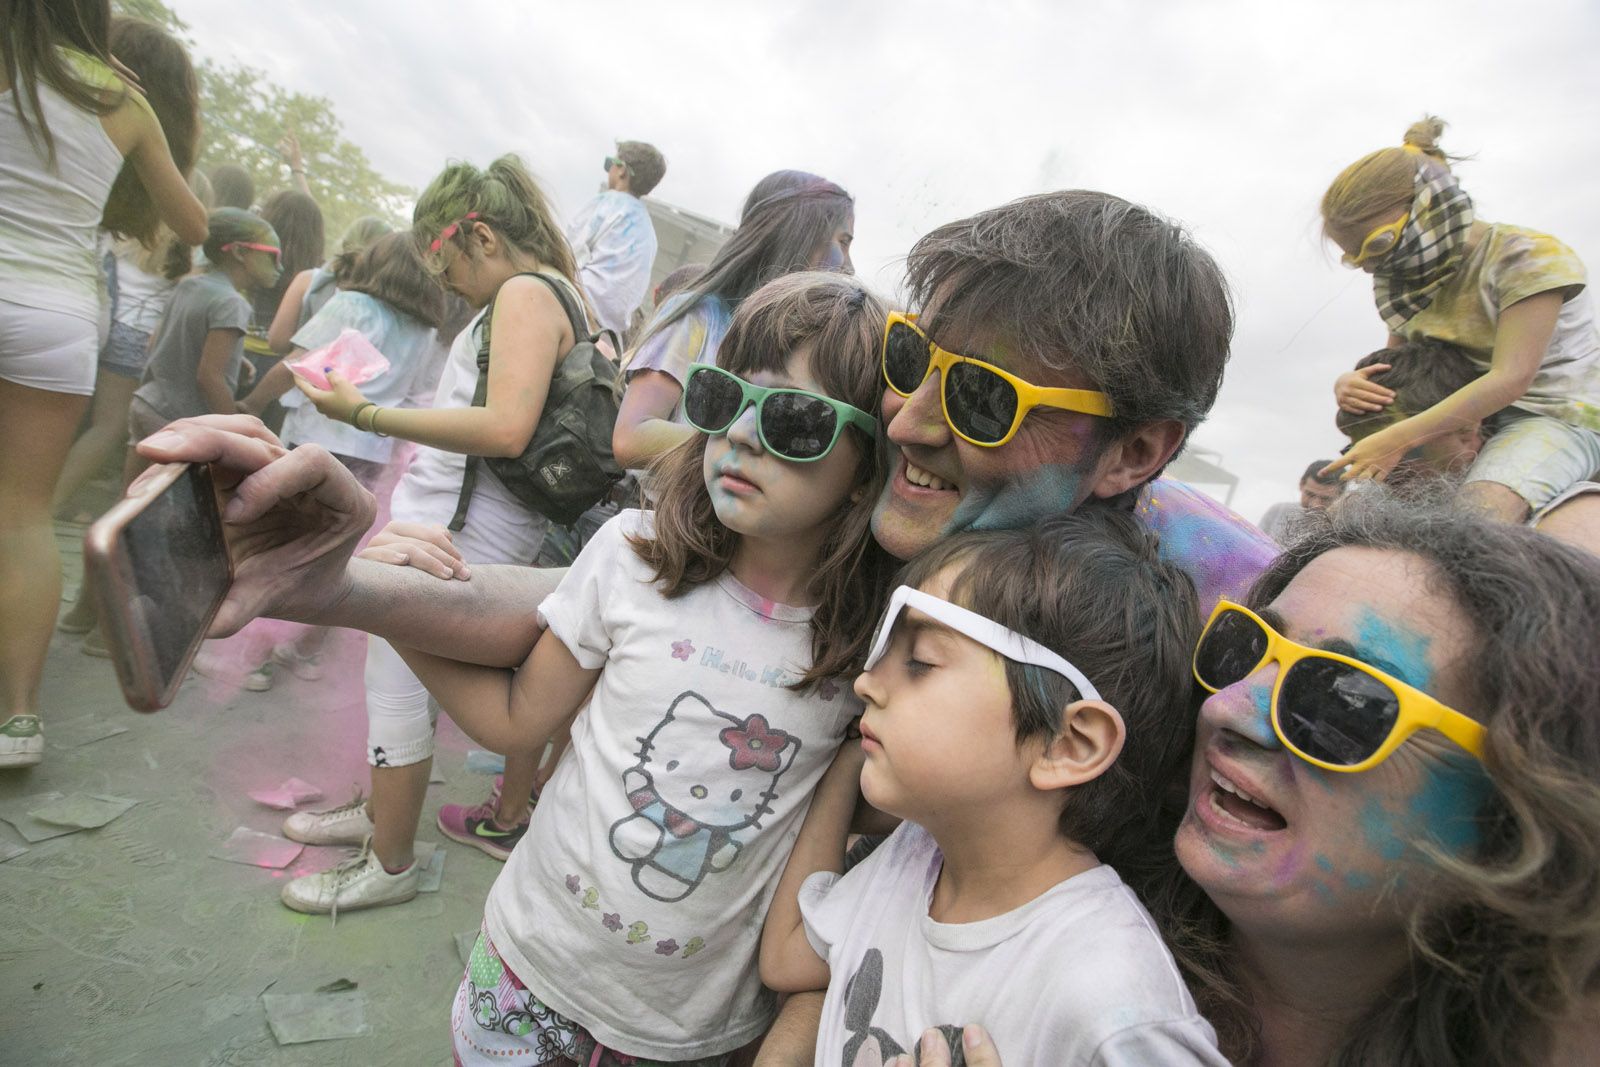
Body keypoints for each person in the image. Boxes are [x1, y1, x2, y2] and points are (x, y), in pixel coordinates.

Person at [404, 270, 895, 1063]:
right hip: (528, 969)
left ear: (867, 472)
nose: (738, 435)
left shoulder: (866, 649)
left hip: (686, 1033)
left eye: (793, 420)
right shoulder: (632, 558)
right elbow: (520, 718)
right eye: (721, 398)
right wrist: (390, 612)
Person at [760, 512, 1227, 1066]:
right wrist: (842, 770)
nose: (865, 681)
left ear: (1067, 744)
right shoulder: (920, 855)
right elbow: (789, 958)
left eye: (920, 662)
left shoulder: (1111, 997)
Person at [277, 154, 592, 913]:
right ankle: (383, 811)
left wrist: (364, 414)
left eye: (442, 259)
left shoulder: (523, 292)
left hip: (462, 531)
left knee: (393, 678)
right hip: (463, 523)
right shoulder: (548, 295)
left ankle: (389, 862)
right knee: (401, 687)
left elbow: (506, 427)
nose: (440, 280)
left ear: (476, 235)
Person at [0, 0, 207, 769]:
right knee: (21, 515)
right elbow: (191, 222)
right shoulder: (118, 97)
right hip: (54, 316)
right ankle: (20, 717)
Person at [1320, 117, 1600, 526]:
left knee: (1479, 512)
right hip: (1453, 415)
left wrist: (1399, 437)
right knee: (1354, 513)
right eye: (1355, 259)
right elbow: (1401, 371)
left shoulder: (1525, 258)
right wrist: (1349, 383)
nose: (1371, 268)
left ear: (1427, 205)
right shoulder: (1410, 280)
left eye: (1378, 245)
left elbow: (1511, 377)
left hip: (1550, 417)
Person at [236, 230, 446, 691]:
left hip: (315, 442)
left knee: (279, 545)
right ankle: (305, 650)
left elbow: (295, 364)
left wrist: (251, 404)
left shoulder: (352, 305)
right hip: (371, 450)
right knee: (336, 553)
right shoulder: (426, 331)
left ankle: (256, 659)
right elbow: (419, 398)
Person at [51, 14, 204, 518]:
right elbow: (195, 227)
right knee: (105, 427)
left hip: (82, 310)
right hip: (74, 315)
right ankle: (45, 508)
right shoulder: (134, 121)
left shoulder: (32, 84)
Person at [613, 169, 856, 469]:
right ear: (801, 234)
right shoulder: (699, 316)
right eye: (843, 242)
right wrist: (754, 440)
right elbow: (631, 437)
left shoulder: (801, 344)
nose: (849, 266)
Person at [1338, 342, 1600, 556]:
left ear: (1467, 429)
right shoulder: (1370, 514)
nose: (1381, 470)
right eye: (1359, 453)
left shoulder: (1575, 523)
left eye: (1403, 450)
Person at [567, 139, 665, 338]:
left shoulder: (606, 204)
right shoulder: (649, 233)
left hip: (577, 306)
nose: (609, 168)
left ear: (621, 170)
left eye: (609, 163)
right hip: (610, 330)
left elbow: (567, 252)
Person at [265, 214, 392, 355]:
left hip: (297, 373)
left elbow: (277, 342)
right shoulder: (388, 304)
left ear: (345, 243)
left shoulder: (307, 280)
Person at [1256, 460, 1344, 545]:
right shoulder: (1277, 511)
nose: (1315, 505)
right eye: (1310, 494)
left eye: (1325, 499)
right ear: (1301, 484)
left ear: (1341, 497)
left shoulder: (1345, 531)